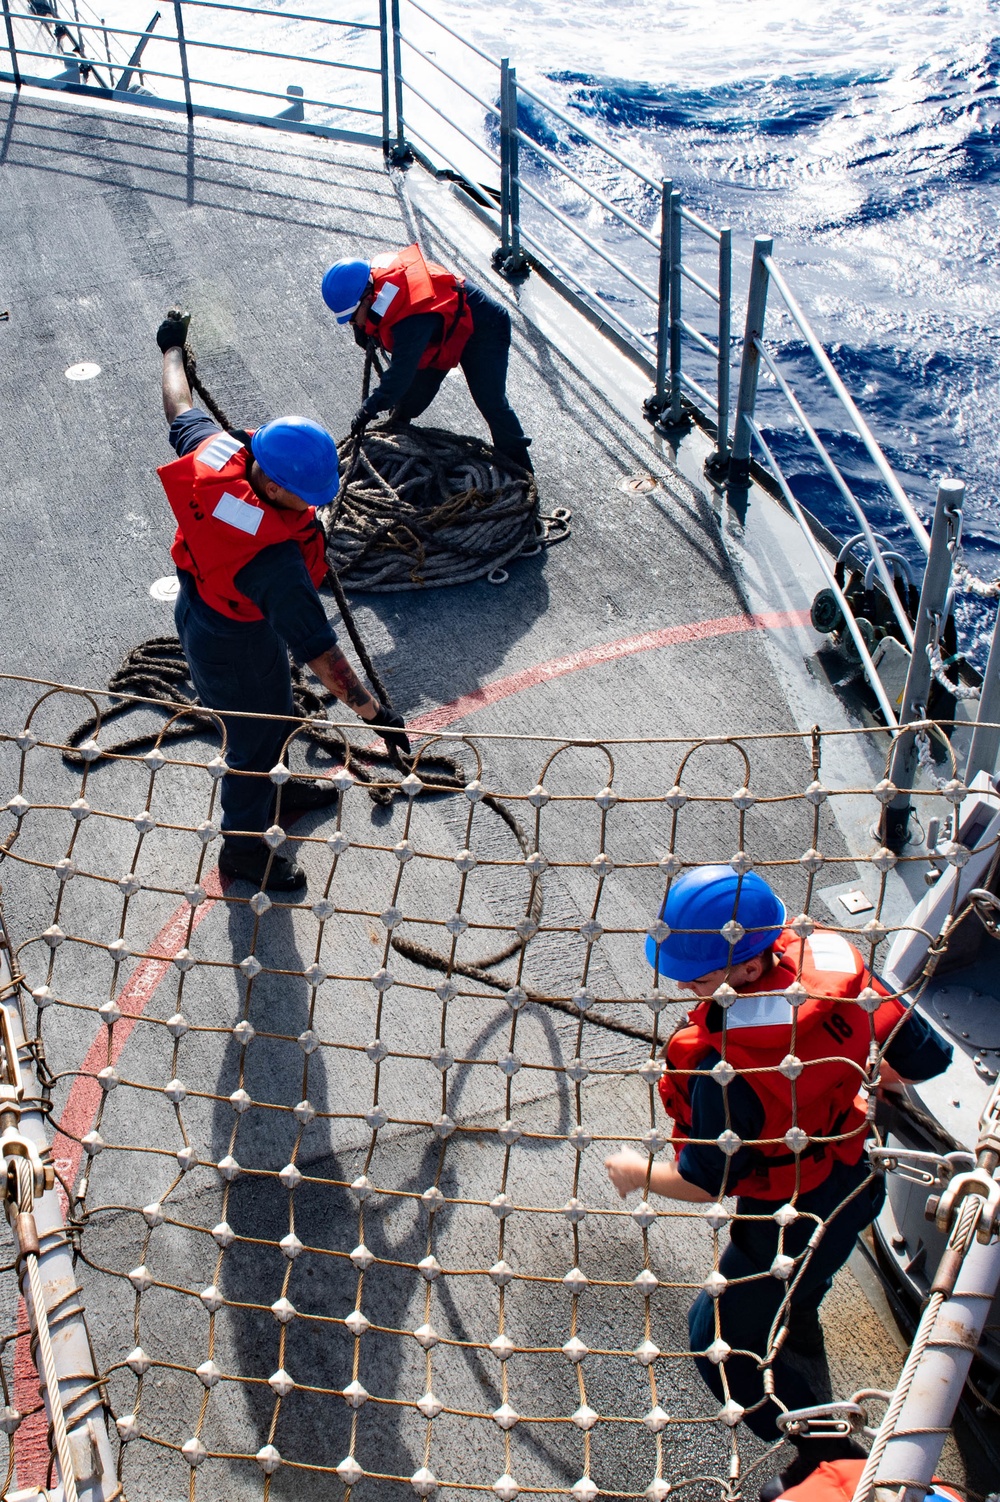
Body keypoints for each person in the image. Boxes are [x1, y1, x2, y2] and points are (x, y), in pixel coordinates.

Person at [603, 867, 952, 1500]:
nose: (684, 984)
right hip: (857, 1184)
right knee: (803, 1288)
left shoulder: (716, 1063)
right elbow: (926, 1058)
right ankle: (798, 1324)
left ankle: (826, 1452)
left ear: (752, 968)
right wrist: (853, 1078)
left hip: (784, 1216)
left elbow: (706, 1182)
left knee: (716, 1334)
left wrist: (638, 1174)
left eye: (701, 975)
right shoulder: (837, 964)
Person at [155, 310, 410, 893]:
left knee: (273, 709)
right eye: (308, 496)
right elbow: (321, 652)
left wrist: (171, 349)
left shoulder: (225, 455)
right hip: (234, 639)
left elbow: (179, 408)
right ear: (272, 485)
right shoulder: (274, 563)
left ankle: (280, 784)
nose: (318, 505)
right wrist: (377, 715)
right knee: (253, 739)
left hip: (207, 610)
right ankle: (244, 855)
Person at [321, 243, 533, 472]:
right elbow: (369, 318)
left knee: (490, 402)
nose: (353, 324)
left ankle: (519, 468)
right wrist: (364, 331)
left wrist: (369, 408)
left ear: (368, 297)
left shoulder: (409, 317)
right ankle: (393, 446)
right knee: (410, 400)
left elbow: (400, 374)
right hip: (440, 333)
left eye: (353, 318)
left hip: (482, 328)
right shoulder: (371, 286)